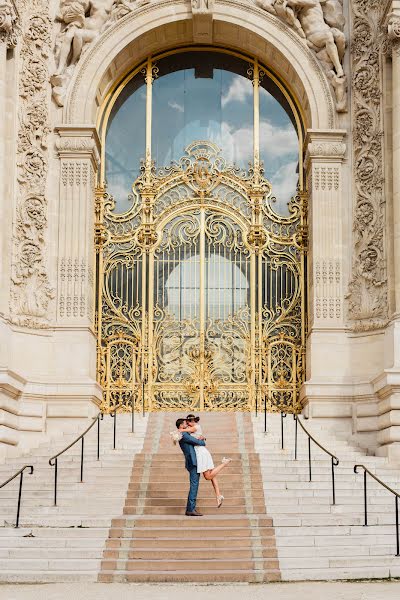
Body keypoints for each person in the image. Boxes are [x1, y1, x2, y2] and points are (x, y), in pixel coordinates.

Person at [176, 415, 232, 508]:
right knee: (211, 476)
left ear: (192, 421)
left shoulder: (194, 427)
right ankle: (218, 495)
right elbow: (196, 437)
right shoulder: (190, 429)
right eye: (186, 423)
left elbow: (198, 439)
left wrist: (181, 430)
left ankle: (224, 463)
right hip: (200, 453)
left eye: (188, 422)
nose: (187, 424)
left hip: (201, 453)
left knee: (208, 476)